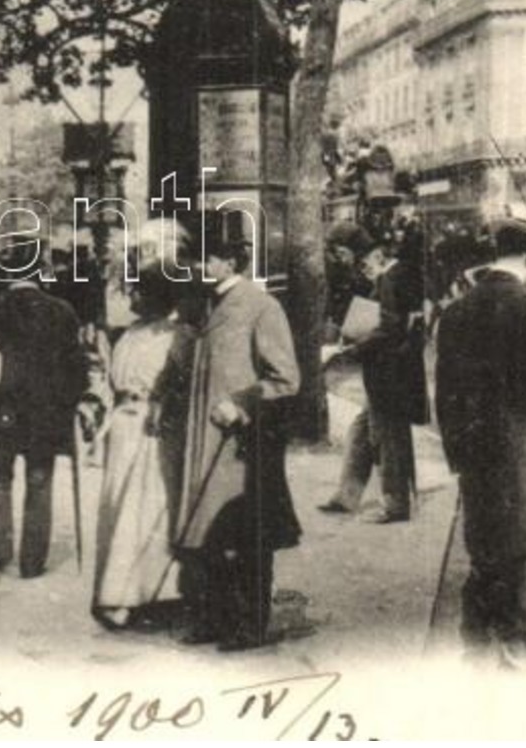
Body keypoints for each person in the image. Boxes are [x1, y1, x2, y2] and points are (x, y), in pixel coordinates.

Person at [434, 216, 526, 663]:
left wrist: (461, 458)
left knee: (485, 560)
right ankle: (519, 660)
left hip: (476, 461)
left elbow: (446, 399)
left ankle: (478, 657)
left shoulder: (455, 313)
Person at [171, 230, 301, 652]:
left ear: (231, 262)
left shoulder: (261, 306)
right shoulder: (205, 304)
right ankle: (214, 617)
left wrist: (242, 403)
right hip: (204, 443)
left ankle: (251, 624)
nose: (198, 266)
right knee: (207, 535)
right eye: (196, 258)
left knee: (245, 536)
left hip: (240, 446)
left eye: (207, 258)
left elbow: (286, 378)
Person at [0, 239, 88, 579]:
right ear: (40, 271)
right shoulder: (61, 311)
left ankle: (2, 553)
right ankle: (33, 561)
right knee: (40, 481)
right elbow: (77, 368)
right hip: (44, 415)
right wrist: (71, 402)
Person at [92, 267, 195, 629]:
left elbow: (182, 387)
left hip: (153, 429)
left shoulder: (178, 336)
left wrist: (162, 404)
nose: (132, 298)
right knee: (117, 504)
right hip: (122, 424)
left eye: (138, 292)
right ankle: (114, 589)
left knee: (145, 507)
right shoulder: (131, 334)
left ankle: (137, 592)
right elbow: (111, 379)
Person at [318, 231, 427, 523]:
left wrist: (350, 350)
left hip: (389, 374)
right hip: (395, 372)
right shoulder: (402, 274)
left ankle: (396, 504)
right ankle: (347, 495)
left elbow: (389, 329)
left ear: (378, 255)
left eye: (364, 261)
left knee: (388, 437)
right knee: (361, 431)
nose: (361, 268)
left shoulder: (390, 280)